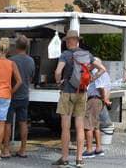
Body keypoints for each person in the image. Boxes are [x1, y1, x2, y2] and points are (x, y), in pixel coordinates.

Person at [53, 30, 106, 167]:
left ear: (67, 41)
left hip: (67, 93)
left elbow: (58, 71)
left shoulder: (65, 55)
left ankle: (64, 158)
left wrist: (59, 82)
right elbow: (102, 69)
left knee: (65, 127)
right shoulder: (87, 54)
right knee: (80, 126)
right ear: (77, 40)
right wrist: (92, 79)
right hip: (82, 93)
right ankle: (79, 159)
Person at [2, 35, 35, 159]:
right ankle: (23, 149)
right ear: (27, 46)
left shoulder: (11, 60)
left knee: (8, 123)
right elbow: (31, 77)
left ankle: (6, 149)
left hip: (11, 94)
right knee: (23, 122)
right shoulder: (31, 61)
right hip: (24, 95)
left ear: (16, 46)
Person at [83, 68, 112, 158]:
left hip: (94, 99)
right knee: (96, 126)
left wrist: (104, 99)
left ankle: (89, 150)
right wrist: (104, 99)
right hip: (98, 100)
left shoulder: (96, 73)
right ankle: (98, 149)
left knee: (88, 125)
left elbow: (100, 87)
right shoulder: (105, 73)